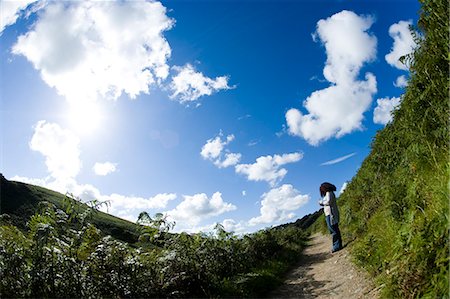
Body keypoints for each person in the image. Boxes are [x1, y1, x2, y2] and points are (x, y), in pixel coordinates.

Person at [319, 182, 342, 253]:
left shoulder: (329, 193)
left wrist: (322, 203)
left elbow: (328, 202)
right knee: (335, 229)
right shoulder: (329, 193)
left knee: (333, 230)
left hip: (330, 214)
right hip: (330, 214)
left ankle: (336, 247)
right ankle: (338, 245)